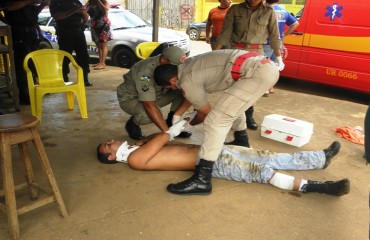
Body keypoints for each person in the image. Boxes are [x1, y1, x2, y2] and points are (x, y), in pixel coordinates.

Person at [96, 122, 349, 197]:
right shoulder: (135, 160)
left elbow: (158, 139)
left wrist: (146, 137)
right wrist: (172, 129)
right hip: (213, 163)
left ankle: (319, 159)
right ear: (110, 156)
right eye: (108, 145)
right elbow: (162, 139)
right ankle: (319, 188)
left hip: (214, 150)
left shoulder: (139, 148)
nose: (111, 140)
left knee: (266, 156)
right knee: (260, 171)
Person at [153, 49, 280, 195]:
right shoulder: (187, 65)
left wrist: (187, 125)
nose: (172, 89)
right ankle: (241, 140)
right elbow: (199, 99)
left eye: (169, 88)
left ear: (172, 81)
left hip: (256, 73)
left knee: (215, 121)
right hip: (260, 66)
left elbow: (205, 112)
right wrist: (180, 115)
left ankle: (202, 179)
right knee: (229, 106)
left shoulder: (186, 81)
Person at [215, 0, 285, 131]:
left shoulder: (268, 12)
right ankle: (231, 116)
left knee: (253, 86)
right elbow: (225, 33)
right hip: (236, 51)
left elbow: (275, 36)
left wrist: (279, 57)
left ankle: (249, 116)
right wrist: (215, 54)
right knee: (233, 84)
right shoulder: (235, 9)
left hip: (256, 53)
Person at [117, 46, 192, 140]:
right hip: (131, 98)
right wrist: (168, 134)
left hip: (158, 95)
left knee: (184, 92)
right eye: (176, 66)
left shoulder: (171, 64)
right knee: (149, 114)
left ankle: (171, 123)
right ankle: (133, 124)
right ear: (164, 60)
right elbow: (149, 104)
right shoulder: (144, 73)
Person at [1, 0, 49, 105]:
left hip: (31, 31)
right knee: (22, 64)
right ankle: (24, 95)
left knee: (33, 63)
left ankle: (35, 89)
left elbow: (33, 14)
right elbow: (8, 7)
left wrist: (43, 4)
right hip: (18, 31)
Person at [49, 0, 93, 86]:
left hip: (78, 31)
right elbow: (57, 16)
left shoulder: (76, 2)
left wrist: (83, 18)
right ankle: (64, 78)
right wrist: (74, 11)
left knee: (83, 56)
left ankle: (84, 78)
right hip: (65, 33)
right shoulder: (55, 2)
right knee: (65, 56)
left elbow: (85, 15)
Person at [263, 0, 299, 96]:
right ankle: (271, 87)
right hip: (279, 42)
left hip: (266, 42)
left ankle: (265, 89)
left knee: (264, 66)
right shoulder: (284, 11)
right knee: (275, 66)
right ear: (278, 1)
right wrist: (284, 34)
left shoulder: (265, 11)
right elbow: (295, 24)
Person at [86, 0, 112, 70]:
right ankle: (100, 62)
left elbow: (106, 9)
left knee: (103, 45)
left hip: (103, 26)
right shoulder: (90, 3)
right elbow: (86, 12)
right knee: (98, 45)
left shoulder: (104, 2)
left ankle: (103, 63)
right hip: (94, 26)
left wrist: (99, 2)